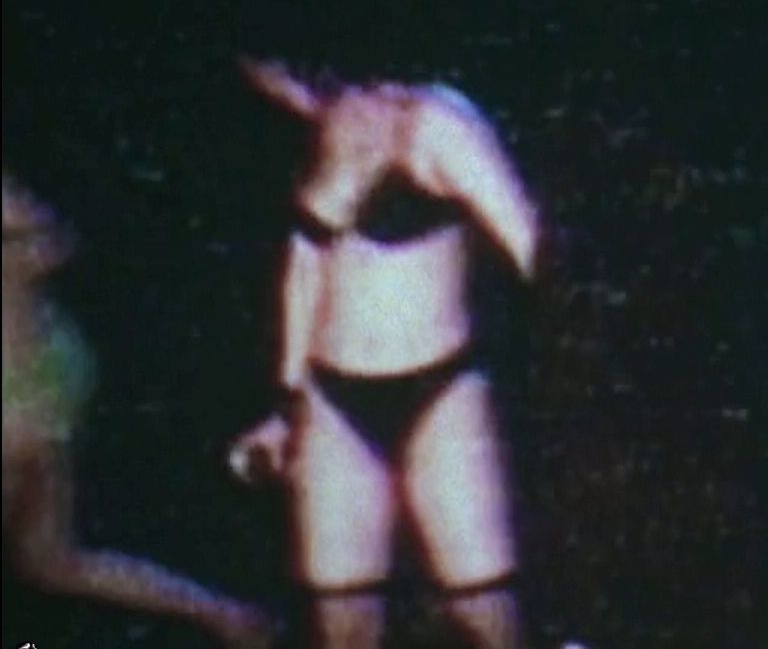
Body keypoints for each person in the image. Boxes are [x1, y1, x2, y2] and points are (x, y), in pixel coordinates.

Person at [226, 59, 540, 649]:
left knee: (487, 616)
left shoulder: (430, 121)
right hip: (330, 396)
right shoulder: (279, 128)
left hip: (440, 388)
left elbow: (534, 246)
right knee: (345, 628)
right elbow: (300, 272)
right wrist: (283, 406)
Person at [2, 171, 275, 649]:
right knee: (51, 560)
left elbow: (48, 237)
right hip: (39, 386)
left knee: (52, 554)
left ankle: (227, 616)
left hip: (27, 391)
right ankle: (227, 616)